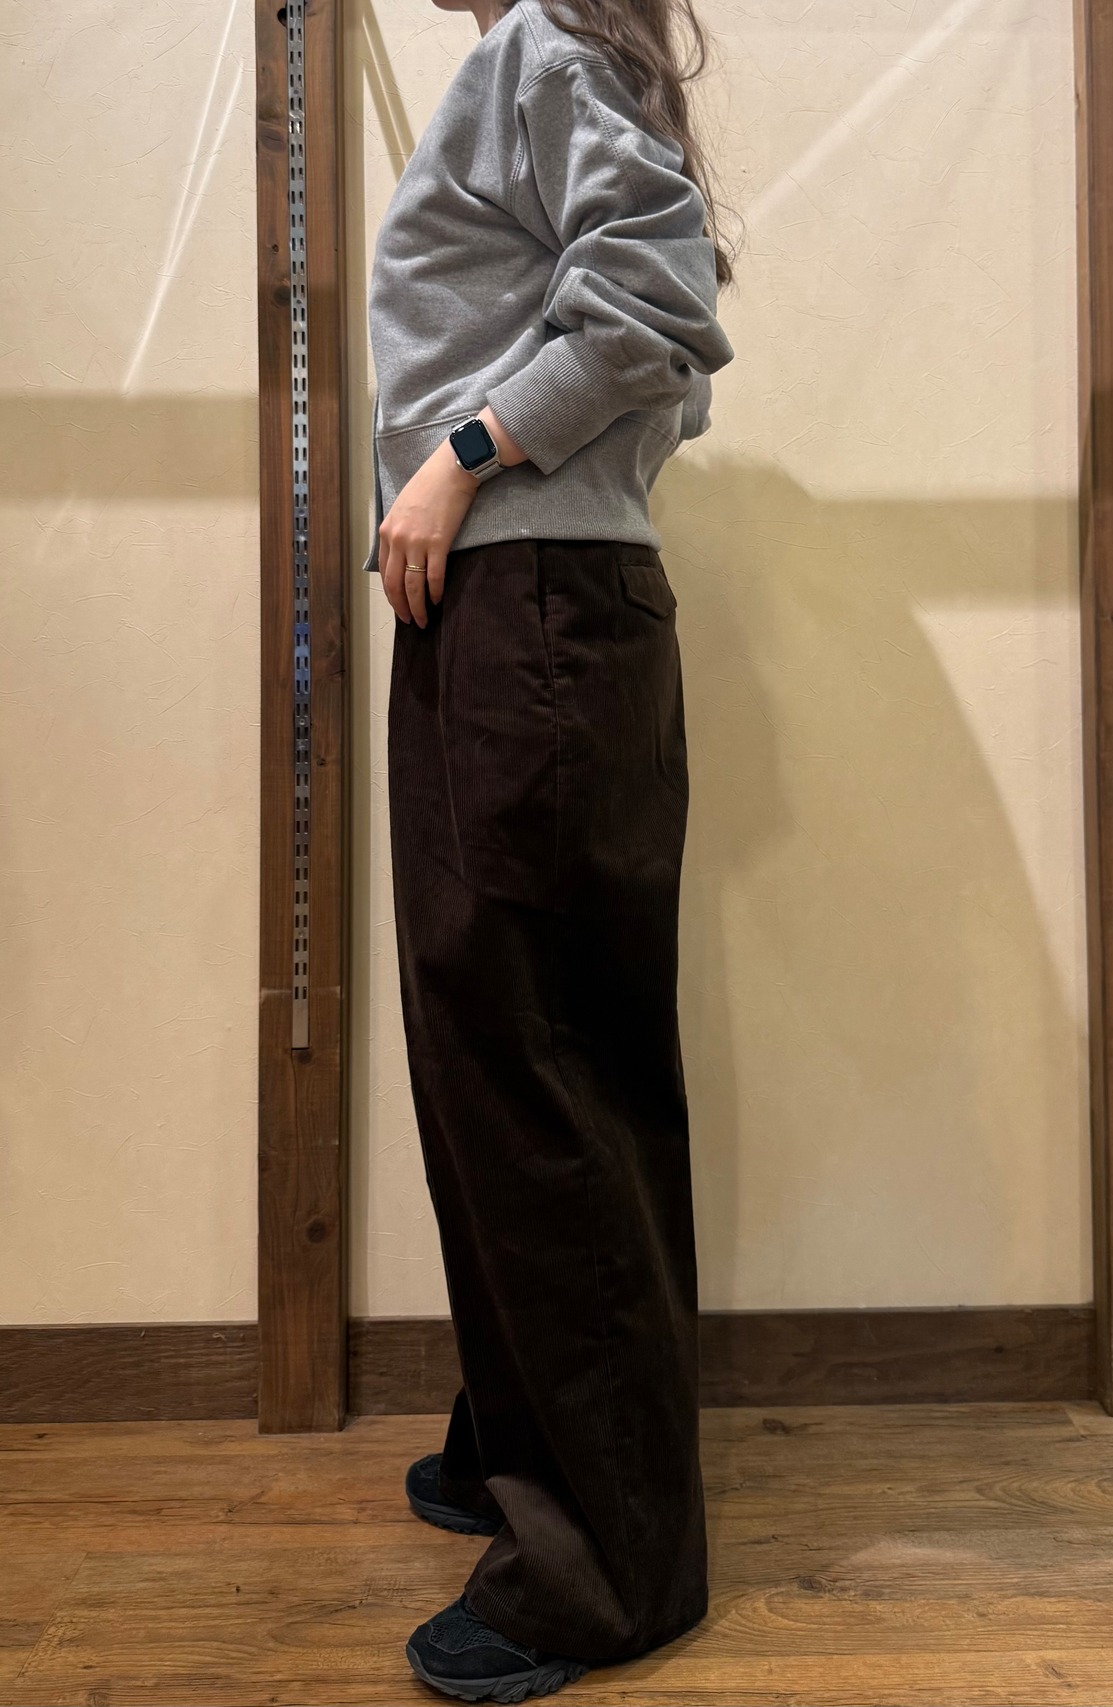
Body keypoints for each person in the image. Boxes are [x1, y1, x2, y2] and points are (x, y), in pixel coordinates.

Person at [363, 0, 736, 1697]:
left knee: (535, 1063)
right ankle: (531, 1441)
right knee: (515, 1052)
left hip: (532, 611)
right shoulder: (550, 60)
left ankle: (601, 1569)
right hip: (527, 614)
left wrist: (460, 457)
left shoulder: (542, 48)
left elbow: (658, 305)